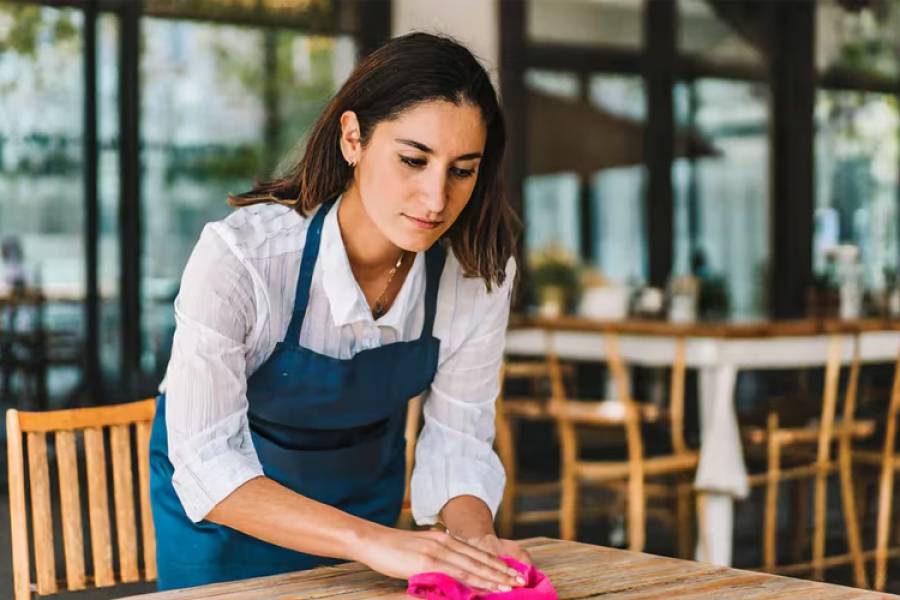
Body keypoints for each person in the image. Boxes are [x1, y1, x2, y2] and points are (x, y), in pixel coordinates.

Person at [149, 32, 529, 593]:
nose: (435, 199)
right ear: (353, 139)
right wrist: (373, 541)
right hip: (229, 536)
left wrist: (473, 544)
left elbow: (458, 439)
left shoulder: (475, 273)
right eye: (413, 160)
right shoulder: (242, 259)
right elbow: (208, 463)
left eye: (461, 170)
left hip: (367, 542)